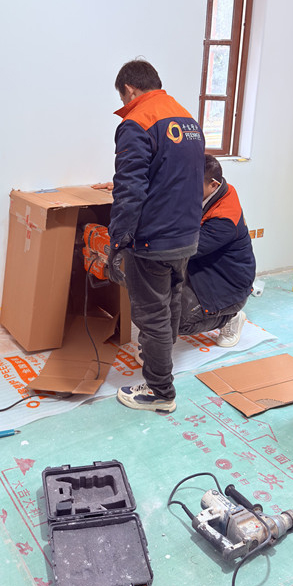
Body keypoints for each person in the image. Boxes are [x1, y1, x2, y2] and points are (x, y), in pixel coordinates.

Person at [106, 59, 205, 414]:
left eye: (123, 97)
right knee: (170, 305)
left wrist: (118, 240)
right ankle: (159, 363)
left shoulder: (137, 121)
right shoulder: (186, 119)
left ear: (129, 89)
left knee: (152, 317)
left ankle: (160, 391)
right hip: (185, 235)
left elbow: (129, 189)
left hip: (152, 240)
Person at [178, 154, 256, 345]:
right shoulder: (213, 192)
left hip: (227, 284)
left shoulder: (224, 219)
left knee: (176, 321)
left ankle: (231, 318)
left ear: (213, 184)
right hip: (207, 266)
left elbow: (187, 250)